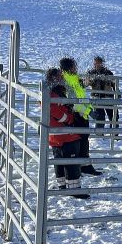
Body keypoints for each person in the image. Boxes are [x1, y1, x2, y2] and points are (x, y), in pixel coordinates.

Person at [46, 68, 89, 199]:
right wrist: (69, 119)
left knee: (59, 160)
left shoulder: (51, 91)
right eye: (59, 76)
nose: (62, 78)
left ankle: (62, 185)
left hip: (56, 134)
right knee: (72, 161)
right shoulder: (53, 94)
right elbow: (56, 111)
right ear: (54, 78)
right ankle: (74, 189)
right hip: (64, 134)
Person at [60, 57, 102, 176]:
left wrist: (86, 82)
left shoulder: (72, 78)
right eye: (74, 66)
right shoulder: (68, 81)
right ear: (69, 68)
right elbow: (73, 101)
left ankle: (84, 165)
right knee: (80, 139)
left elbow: (79, 93)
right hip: (78, 114)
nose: (76, 68)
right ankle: (83, 166)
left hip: (82, 113)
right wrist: (88, 112)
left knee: (83, 139)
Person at [87, 55, 117, 131]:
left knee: (113, 116)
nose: (97, 65)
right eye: (96, 63)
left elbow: (114, 83)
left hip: (108, 98)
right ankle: (99, 133)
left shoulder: (108, 72)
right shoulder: (91, 73)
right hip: (97, 98)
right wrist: (91, 80)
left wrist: (117, 93)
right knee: (100, 117)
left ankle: (114, 134)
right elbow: (86, 83)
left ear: (102, 63)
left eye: (99, 63)